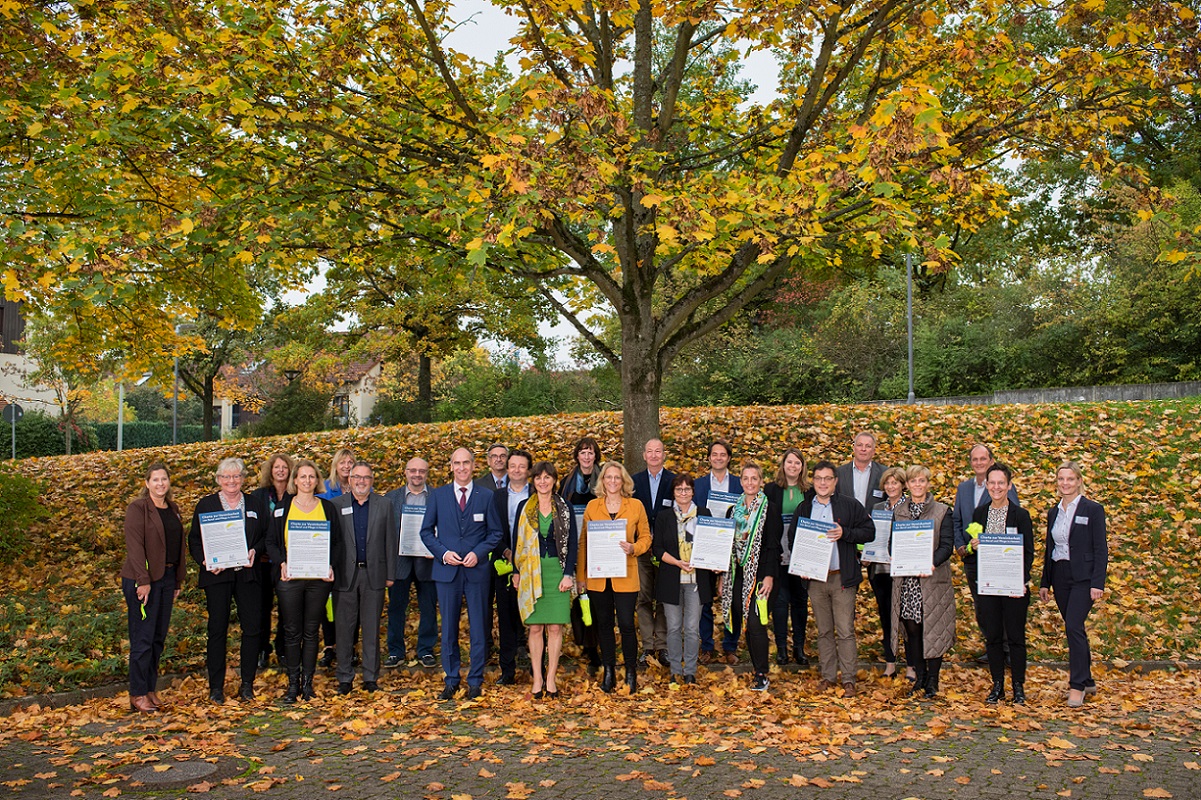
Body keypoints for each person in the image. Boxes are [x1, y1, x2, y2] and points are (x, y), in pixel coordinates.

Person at [420, 447, 503, 700]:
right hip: (447, 572)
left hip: (476, 571)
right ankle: (452, 678)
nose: (462, 468)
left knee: (479, 627)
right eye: (457, 463)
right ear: (451, 466)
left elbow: (495, 533)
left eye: (466, 463)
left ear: (474, 465)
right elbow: (425, 532)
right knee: (449, 629)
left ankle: (475, 680)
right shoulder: (438, 496)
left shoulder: (486, 496)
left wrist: (478, 553)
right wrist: (443, 553)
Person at [790, 460, 874, 695]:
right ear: (813, 481)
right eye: (818, 479)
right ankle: (828, 676)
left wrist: (845, 533)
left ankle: (848, 679)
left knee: (845, 630)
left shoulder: (849, 505)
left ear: (835, 481)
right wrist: (801, 566)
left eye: (828, 478)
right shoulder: (804, 508)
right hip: (816, 579)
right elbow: (793, 539)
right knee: (824, 630)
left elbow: (869, 531)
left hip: (842, 578)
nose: (823, 483)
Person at [188, 457, 267, 704]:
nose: (232, 481)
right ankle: (216, 688)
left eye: (236, 476)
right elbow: (194, 540)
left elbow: (266, 536)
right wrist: (205, 561)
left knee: (252, 629)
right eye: (226, 477)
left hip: (247, 573)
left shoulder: (255, 504)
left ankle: (247, 685)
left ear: (243, 478)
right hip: (218, 575)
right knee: (217, 630)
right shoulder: (206, 505)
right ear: (219, 479)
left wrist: (256, 549)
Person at [266, 459, 340, 703]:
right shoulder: (282, 507)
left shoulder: (327, 508)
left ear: (317, 481)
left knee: (311, 632)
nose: (307, 481)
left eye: (311, 477)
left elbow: (337, 543)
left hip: (318, 579)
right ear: (294, 480)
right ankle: (292, 685)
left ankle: (308, 684)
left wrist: (331, 565)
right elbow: (272, 543)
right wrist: (282, 563)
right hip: (290, 578)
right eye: (302, 476)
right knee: (291, 632)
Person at [578, 460, 652, 693]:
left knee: (628, 625)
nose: (612, 481)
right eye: (608, 477)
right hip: (598, 578)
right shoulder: (592, 507)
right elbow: (583, 543)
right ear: (602, 481)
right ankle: (609, 670)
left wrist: (634, 548)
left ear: (623, 481)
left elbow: (646, 538)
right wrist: (581, 576)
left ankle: (631, 672)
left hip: (625, 575)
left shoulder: (635, 506)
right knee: (604, 626)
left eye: (617, 478)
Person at [1039, 462, 1108, 708]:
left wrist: (1097, 582)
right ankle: (1088, 679)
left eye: (1070, 479)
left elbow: (1101, 549)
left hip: (1084, 578)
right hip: (1060, 575)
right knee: (1074, 628)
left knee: (1074, 626)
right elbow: (1051, 548)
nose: (1065, 483)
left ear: (1079, 481)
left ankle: (1077, 685)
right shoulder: (1053, 512)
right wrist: (1045, 582)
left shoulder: (1093, 510)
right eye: (1061, 479)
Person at [121, 462, 185, 713]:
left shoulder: (173, 508)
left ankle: (149, 688)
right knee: (143, 638)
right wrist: (143, 581)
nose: (160, 484)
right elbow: (135, 547)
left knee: (158, 638)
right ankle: (137, 693)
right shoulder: (138, 508)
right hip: (143, 579)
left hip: (167, 578)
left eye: (164, 479)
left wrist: (178, 579)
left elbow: (178, 546)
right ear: (147, 483)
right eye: (155, 480)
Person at [512, 461, 578, 698]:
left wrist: (568, 573)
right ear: (534, 481)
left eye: (547, 478)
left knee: (555, 627)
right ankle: (537, 679)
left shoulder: (565, 507)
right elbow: (516, 543)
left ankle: (551, 679)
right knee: (536, 627)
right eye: (538, 478)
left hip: (557, 572)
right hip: (532, 572)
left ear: (554, 481)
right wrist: (516, 571)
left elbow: (572, 543)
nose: (542, 481)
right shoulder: (524, 507)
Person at [887, 465, 954, 698]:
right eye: (913, 481)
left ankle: (933, 681)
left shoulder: (943, 511)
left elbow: (947, 546)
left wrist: (930, 562)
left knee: (933, 629)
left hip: (932, 580)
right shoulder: (899, 511)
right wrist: (895, 554)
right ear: (907, 485)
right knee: (912, 630)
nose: (917, 485)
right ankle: (920, 677)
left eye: (922, 481)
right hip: (908, 582)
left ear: (928, 483)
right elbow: (891, 543)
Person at [331, 461, 397, 694]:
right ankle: (345, 678)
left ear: (372, 480)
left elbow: (391, 540)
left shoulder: (384, 505)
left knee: (371, 629)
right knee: (344, 629)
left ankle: (370, 677)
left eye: (366, 477)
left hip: (374, 575)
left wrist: (391, 573)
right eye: (357, 477)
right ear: (349, 480)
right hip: (344, 576)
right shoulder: (335, 505)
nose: (361, 481)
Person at [971, 462, 1035, 704]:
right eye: (992, 483)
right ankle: (997, 684)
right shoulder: (979, 514)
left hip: (1014, 587)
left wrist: (1020, 580)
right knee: (993, 637)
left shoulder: (1021, 515)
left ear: (1009, 486)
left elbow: (1028, 552)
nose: (996, 487)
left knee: (1016, 637)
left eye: (1001, 483)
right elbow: (971, 543)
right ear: (986, 485)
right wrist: (972, 545)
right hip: (988, 585)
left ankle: (1018, 686)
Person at [952, 443, 1020, 662]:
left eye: (983, 459)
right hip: (971, 557)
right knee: (982, 606)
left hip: (996, 556)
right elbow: (956, 520)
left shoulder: (1001, 486)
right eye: (975, 459)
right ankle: (993, 647)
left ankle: (1008, 651)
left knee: (1001, 603)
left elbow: (1013, 518)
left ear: (991, 461)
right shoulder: (963, 488)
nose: (979, 463)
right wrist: (960, 544)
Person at [719, 461, 781, 691]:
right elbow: (727, 546)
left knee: (755, 622)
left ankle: (762, 673)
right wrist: (723, 577)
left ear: (761, 481)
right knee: (744, 621)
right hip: (737, 576)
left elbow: (773, 546)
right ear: (741, 481)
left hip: (761, 576)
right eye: (746, 478)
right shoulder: (732, 510)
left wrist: (768, 576)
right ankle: (757, 667)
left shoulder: (769, 509)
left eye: (754, 478)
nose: (750, 483)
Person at [652, 474, 711, 685]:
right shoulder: (664, 517)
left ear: (693, 492)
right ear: (674, 493)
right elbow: (657, 548)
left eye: (687, 489)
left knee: (693, 628)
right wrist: (677, 562)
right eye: (679, 490)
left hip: (697, 579)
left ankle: (691, 671)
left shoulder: (704, 514)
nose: (683, 493)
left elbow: (712, 546)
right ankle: (676, 671)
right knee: (674, 627)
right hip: (672, 578)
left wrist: (705, 559)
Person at [384, 458, 438, 670]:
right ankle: (395, 652)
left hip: (428, 562)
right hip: (400, 562)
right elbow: (386, 532)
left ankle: (426, 650)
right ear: (405, 472)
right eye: (413, 470)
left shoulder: (437, 497)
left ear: (427, 473)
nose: (417, 474)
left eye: (422, 471)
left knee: (428, 609)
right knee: (396, 608)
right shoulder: (391, 498)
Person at [693, 439, 742, 665]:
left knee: (732, 600)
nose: (719, 458)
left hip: (732, 549)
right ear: (709, 458)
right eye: (715, 454)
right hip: (706, 548)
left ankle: (730, 646)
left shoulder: (740, 485)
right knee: (705, 600)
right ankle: (707, 646)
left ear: (729, 458)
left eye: (723, 454)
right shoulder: (699, 486)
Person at [764, 448, 812, 667]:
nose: (793, 466)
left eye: (797, 463)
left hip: (803, 553)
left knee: (800, 602)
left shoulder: (810, 491)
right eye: (789, 462)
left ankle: (799, 648)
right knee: (780, 601)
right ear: (783, 465)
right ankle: (782, 648)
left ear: (802, 467)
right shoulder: (771, 489)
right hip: (779, 551)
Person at [489, 448, 533, 685]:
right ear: (507, 469)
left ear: (528, 470)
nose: (516, 470)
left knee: (535, 616)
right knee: (505, 617)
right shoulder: (496, 497)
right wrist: (507, 552)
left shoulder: (538, 493)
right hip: (504, 563)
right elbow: (492, 530)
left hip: (534, 564)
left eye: (521, 466)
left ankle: (538, 666)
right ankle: (507, 670)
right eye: (512, 466)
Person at [560, 436, 603, 670]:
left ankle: (595, 646)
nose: (587, 457)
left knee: (596, 599)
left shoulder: (604, 481)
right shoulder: (567, 483)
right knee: (580, 597)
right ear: (577, 456)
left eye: (591, 452)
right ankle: (585, 643)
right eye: (583, 452)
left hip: (599, 548)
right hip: (574, 548)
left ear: (596, 456)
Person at [631, 439, 673, 667]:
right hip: (642, 550)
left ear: (663, 455)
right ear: (644, 455)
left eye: (658, 451)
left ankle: (663, 647)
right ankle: (647, 647)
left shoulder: (673, 480)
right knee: (644, 598)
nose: (654, 455)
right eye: (650, 451)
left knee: (664, 600)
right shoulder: (635, 481)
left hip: (666, 552)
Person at [251, 452, 294, 669]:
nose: (280, 471)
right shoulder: (258, 496)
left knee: (287, 608)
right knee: (261, 608)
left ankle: (282, 649)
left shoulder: (295, 496)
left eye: (284, 467)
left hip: (287, 561)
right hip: (262, 562)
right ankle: (262, 649)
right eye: (276, 467)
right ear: (270, 470)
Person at [317, 447, 356, 668]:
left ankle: (350, 647)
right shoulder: (324, 489)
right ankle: (330, 646)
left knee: (353, 602)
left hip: (354, 553)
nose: (346, 466)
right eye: (342, 462)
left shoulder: (361, 487)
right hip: (330, 552)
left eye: (350, 462)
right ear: (335, 465)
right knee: (329, 602)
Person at [872, 466, 908, 678]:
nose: (891, 486)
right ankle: (891, 663)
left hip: (903, 571)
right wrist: (866, 554)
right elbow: (871, 536)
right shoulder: (878, 507)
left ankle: (912, 665)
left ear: (903, 485)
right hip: (881, 570)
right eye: (887, 483)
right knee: (886, 618)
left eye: (895, 483)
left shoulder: (911, 507)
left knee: (906, 621)